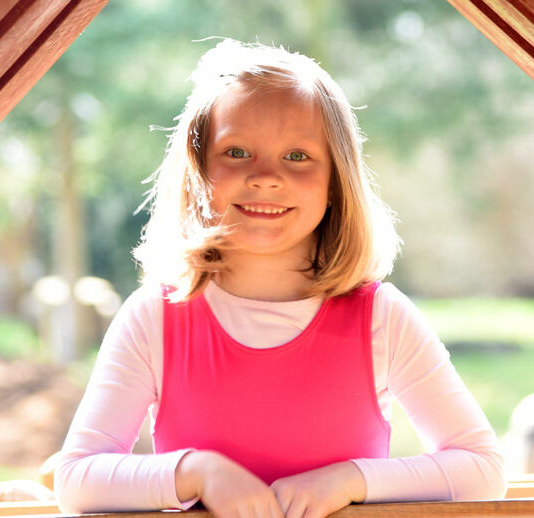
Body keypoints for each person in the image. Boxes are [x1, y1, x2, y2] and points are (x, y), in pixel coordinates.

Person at [49, 39, 506, 516]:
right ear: (199, 171)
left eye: (297, 156)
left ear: (336, 180)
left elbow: (482, 470)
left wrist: (351, 480)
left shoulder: (383, 318)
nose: (266, 176)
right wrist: (198, 472)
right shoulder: (153, 318)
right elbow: (78, 479)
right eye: (238, 151)